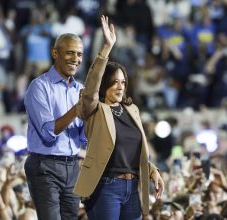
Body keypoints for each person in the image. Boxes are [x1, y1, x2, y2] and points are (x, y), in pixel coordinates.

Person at [74, 16, 164, 220]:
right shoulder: (95, 109)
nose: (120, 86)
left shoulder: (132, 110)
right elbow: (90, 89)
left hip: (132, 188)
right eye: (114, 82)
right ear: (104, 84)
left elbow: (135, 152)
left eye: (123, 82)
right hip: (105, 187)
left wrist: (153, 171)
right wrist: (107, 48)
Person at [23, 32, 87, 220]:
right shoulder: (39, 87)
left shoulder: (80, 90)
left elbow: (83, 136)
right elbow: (48, 132)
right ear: (55, 53)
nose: (75, 59)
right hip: (45, 166)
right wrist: (77, 109)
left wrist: (91, 116)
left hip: (73, 166)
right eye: (70, 53)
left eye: (79, 54)